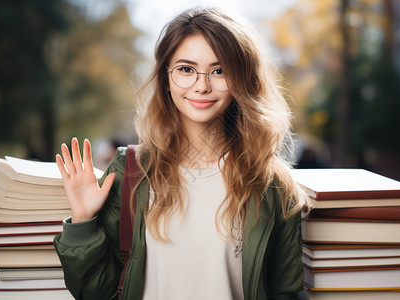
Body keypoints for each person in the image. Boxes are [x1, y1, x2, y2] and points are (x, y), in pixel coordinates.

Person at [54, 6, 312, 300]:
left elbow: (286, 293)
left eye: (219, 70)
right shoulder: (130, 171)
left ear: (242, 78)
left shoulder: (273, 185)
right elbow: (95, 294)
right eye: (186, 69)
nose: (201, 86)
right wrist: (83, 222)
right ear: (166, 78)